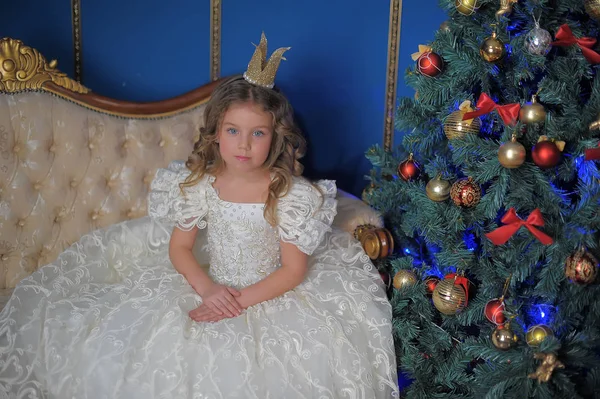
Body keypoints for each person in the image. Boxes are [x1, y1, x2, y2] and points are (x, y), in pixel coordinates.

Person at [0, 33, 399, 398]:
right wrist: (209, 291)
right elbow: (181, 248)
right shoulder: (198, 183)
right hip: (208, 283)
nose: (243, 145)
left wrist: (235, 303)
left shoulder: (290, 193)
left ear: (276, 137)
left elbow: (293, 271)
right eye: (232, 131)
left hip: (269, 291)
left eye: (257, 133)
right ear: (215, 132)